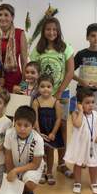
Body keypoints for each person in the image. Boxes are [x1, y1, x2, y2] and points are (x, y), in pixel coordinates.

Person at [30, 17, 74, 177]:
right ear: (44, 31)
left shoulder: (66, 48)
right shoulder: (38, 50)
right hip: (41, 96)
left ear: (59, 30)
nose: (51, 32)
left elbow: (70, 72)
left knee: (61, 128)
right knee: (44, 127)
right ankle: (44, 165)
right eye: (48, 29)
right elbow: (32, 71)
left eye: (54, 29)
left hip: (61, 95)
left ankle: (62, 163)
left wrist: (59, 92)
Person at [64, 88, 97, 194]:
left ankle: (94, 182)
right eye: (87, 103)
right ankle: (77, 182)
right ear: (80, 104)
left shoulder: (96, 114)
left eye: (92, 102)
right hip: (80, 145)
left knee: (93, 164)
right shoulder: (75, 114)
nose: (91, 105)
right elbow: (77, 124)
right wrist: (81, 110)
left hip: (92, 145)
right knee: (78, 164)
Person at [4, 106, 45, 194]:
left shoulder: (38, 140)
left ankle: (28, 192)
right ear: (14, 123)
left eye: (26, 125)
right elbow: (8, 157)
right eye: (19, 124)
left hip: (31, 167)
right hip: (16, 165)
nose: (22, 129)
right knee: (4, 182)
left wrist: (16, 171)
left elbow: (35, 164)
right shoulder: (9, 134)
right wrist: (11, 172)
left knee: (29, 182)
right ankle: (16, 188)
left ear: (33, 126)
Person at [0, 4, 28, 92]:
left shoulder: (20, 33)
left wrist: (24, 85)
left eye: (6, 15)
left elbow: (24, 61)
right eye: (0, 15)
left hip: (15, 80)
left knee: (16, 105)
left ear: (12, 17)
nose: (3, 18)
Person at [32, 75, 62, 185]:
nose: (45, 89)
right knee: (41, 153)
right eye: (42, 86)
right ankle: (41, 171)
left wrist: (53, 132)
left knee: (50, 152)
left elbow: (59, 118)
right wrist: (39, 133)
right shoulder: (36, 102)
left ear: (53, 88)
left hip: (51, 131)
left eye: (48, 86)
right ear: (38, 88)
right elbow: (34, 118)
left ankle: (49, 172)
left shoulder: (56, 102)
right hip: (40, 130)